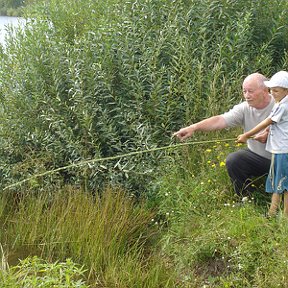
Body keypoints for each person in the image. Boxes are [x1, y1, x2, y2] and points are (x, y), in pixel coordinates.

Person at [173, 72, 275, 197]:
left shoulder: (281, 105)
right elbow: (220, 120)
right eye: (244, 91)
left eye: (251, 91)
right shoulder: (244, 108)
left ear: (265, 90)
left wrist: (271, 134)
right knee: (234, 160)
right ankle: (247, 197)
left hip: (282, 158)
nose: (247, 96)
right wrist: (194, 127)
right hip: (259, 159)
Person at [237, 71, 288, 216]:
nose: (273, 93)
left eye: (276, 90)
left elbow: (268, 121)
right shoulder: (282, 103)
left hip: (283, 151)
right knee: (278, 181)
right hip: (279, 149)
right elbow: (275, 125)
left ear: (286, 91)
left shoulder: (282, 106)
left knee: (283, 184)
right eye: (271, 90)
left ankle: (284, 216)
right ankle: (272, 212)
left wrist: (247, 135)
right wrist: (265, 133)